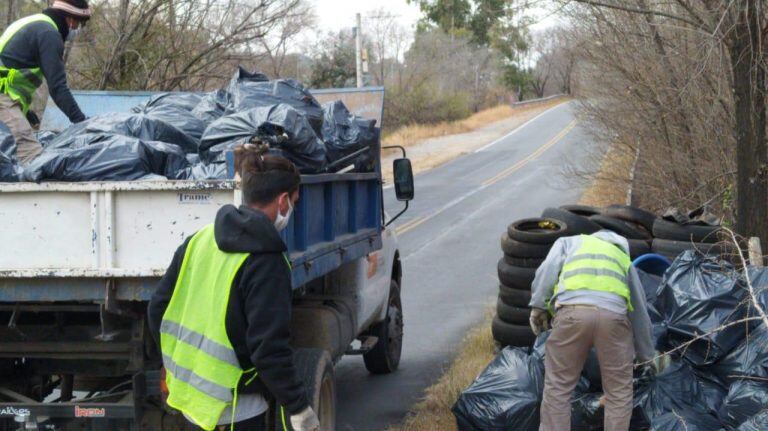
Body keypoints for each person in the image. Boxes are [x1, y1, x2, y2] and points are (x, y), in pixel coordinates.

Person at [148, 145, 320, 431]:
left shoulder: (199, 239)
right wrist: (299, 407)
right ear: (282, 202)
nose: (292, 208)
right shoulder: (267, 261)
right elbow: (269, 350)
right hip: (237, 410)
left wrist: (171, 363)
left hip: (194, 408)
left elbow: (157, 310)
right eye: (295, 201)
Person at [528, 230, 655, 431]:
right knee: (618, 393)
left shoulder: (569, 243)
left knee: (558, 389)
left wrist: (538, 307)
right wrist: (646, 355)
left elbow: (547, 271)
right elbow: (639, 310)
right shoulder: (621, 257)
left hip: (572, 314)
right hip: (613, 319)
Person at [0, 0, 90, 163]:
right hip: (2, 96)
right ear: (69, 19)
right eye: (79, 23)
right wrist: (82, 122)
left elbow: (12, 64)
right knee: (31, 155)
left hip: (6, 94)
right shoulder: (49, 35)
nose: (78, 29)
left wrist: (26, 113)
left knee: (9, 152)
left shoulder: (36, 23)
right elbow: (57, 88)